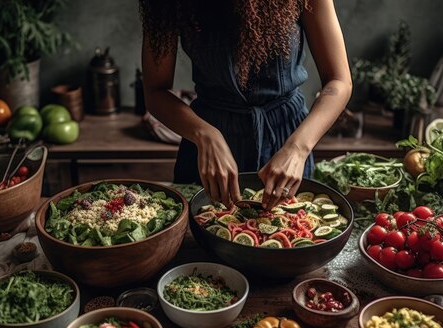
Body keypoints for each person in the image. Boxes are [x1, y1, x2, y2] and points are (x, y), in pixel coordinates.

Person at [139, 0, 351, 210]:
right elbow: (155, 92)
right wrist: (204, 135)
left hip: (288, 137)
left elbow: (339, 81)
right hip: (206, 149)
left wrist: (297, 148)